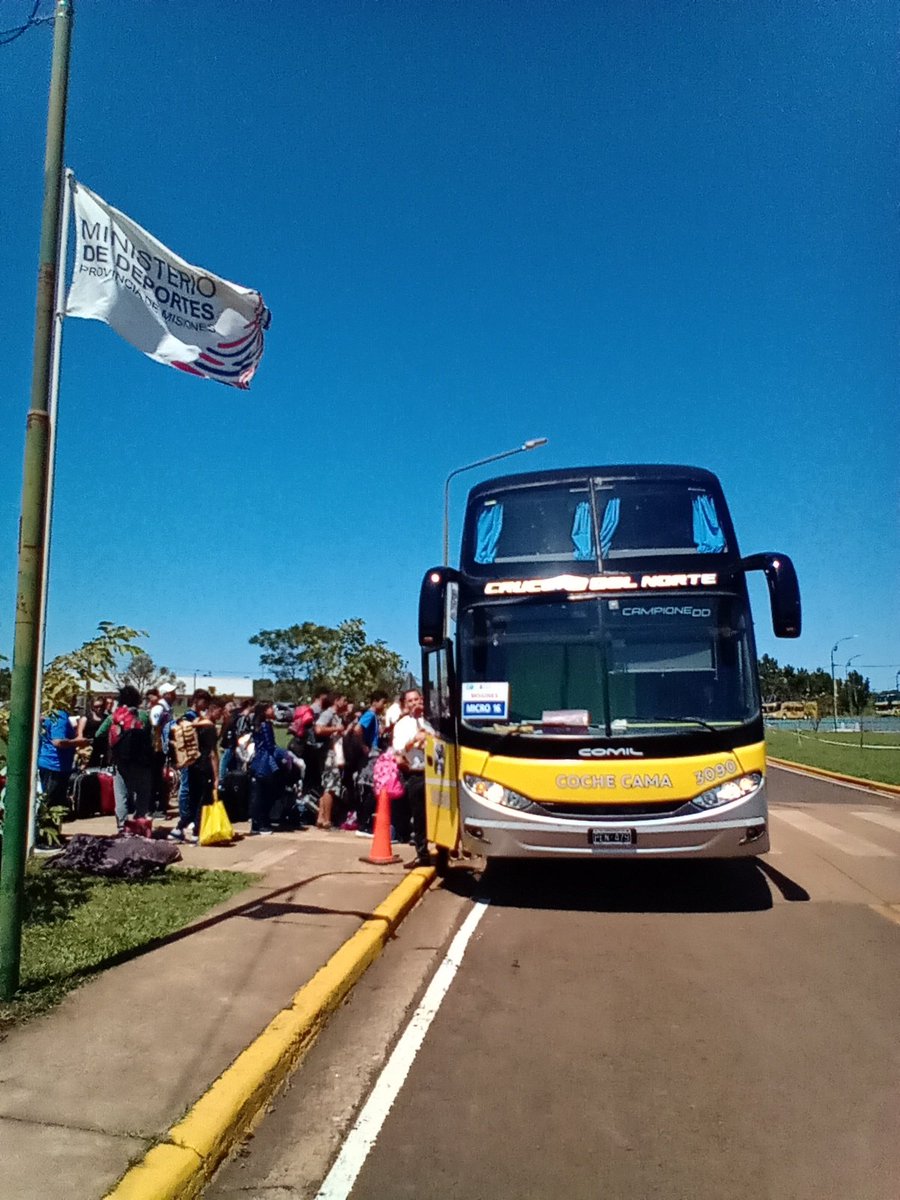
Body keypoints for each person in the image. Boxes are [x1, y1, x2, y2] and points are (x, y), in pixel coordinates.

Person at [97, 685, 153, 829]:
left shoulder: (113, 717)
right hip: (141, 761)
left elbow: (98, 734)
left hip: (120, 760)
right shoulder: (143, 716)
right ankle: (140, 821)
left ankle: (122, 826)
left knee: (121, 794)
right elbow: (149, 736)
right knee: (142, 792)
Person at [392, 688, 431, 868]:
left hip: (435, 773)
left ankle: (445, 852)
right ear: (405, 704)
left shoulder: (432, 720)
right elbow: (400, 750)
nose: (415, 703)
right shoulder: (402, 725)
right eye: (410, 701)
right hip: (416, 774)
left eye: (417, 699)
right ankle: (422, 854)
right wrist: (414, 739)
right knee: (420, 816)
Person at [170, 689, 211, 843]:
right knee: (187, 789)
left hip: (191, 759)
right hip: (190, 759)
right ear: (196, 701)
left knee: (190, 790)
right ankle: (185, 818)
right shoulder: (190, 717)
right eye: (204, 701)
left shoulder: (192, 717)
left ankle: (185, 821)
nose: (206, 705)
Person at [37, 691, 89, 812]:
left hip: (55, 765)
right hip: (54, 766)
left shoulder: (55, 714)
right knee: (51, 804)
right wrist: (79, 742)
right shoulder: (60, 716)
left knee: (54, 803)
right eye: (73, 699)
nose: (75, 702)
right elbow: (58, 742)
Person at [249, 701, 285, 835]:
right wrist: (285, 755)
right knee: (265, 794)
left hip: (257, 761)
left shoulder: (257, 725)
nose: (273, 709)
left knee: (258, 794)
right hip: (266, 763)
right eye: (270, 707)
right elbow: (270, 747)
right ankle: (263, 823)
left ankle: (256, 824)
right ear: (264, 711)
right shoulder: (266, 726)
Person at [149, 683, 177, 817]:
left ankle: (161, 805)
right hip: (157, 750)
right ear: (165, 694)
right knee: (156, 778)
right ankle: (154, 808)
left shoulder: (168, 709)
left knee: (163, 777)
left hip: (164, 748)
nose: (175, 695)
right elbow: (155, 728)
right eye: (172, 692)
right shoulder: (159, 709)